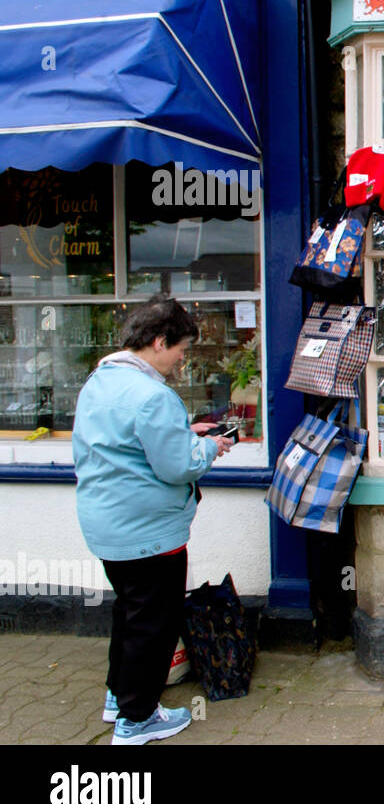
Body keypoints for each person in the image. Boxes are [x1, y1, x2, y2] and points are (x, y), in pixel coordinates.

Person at [72, 295, 234, 745]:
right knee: (153, 625)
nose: (183, 360)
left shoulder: (99, 382)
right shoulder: (151, 395)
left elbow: (128, 444)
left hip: (107, 524)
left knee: (129, 613)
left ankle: (118, 697)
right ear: (159, 342)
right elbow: (176, 467)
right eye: (181, 349)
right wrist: (208, 448)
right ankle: (137, 720)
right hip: (149, 533)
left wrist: (186, 434)